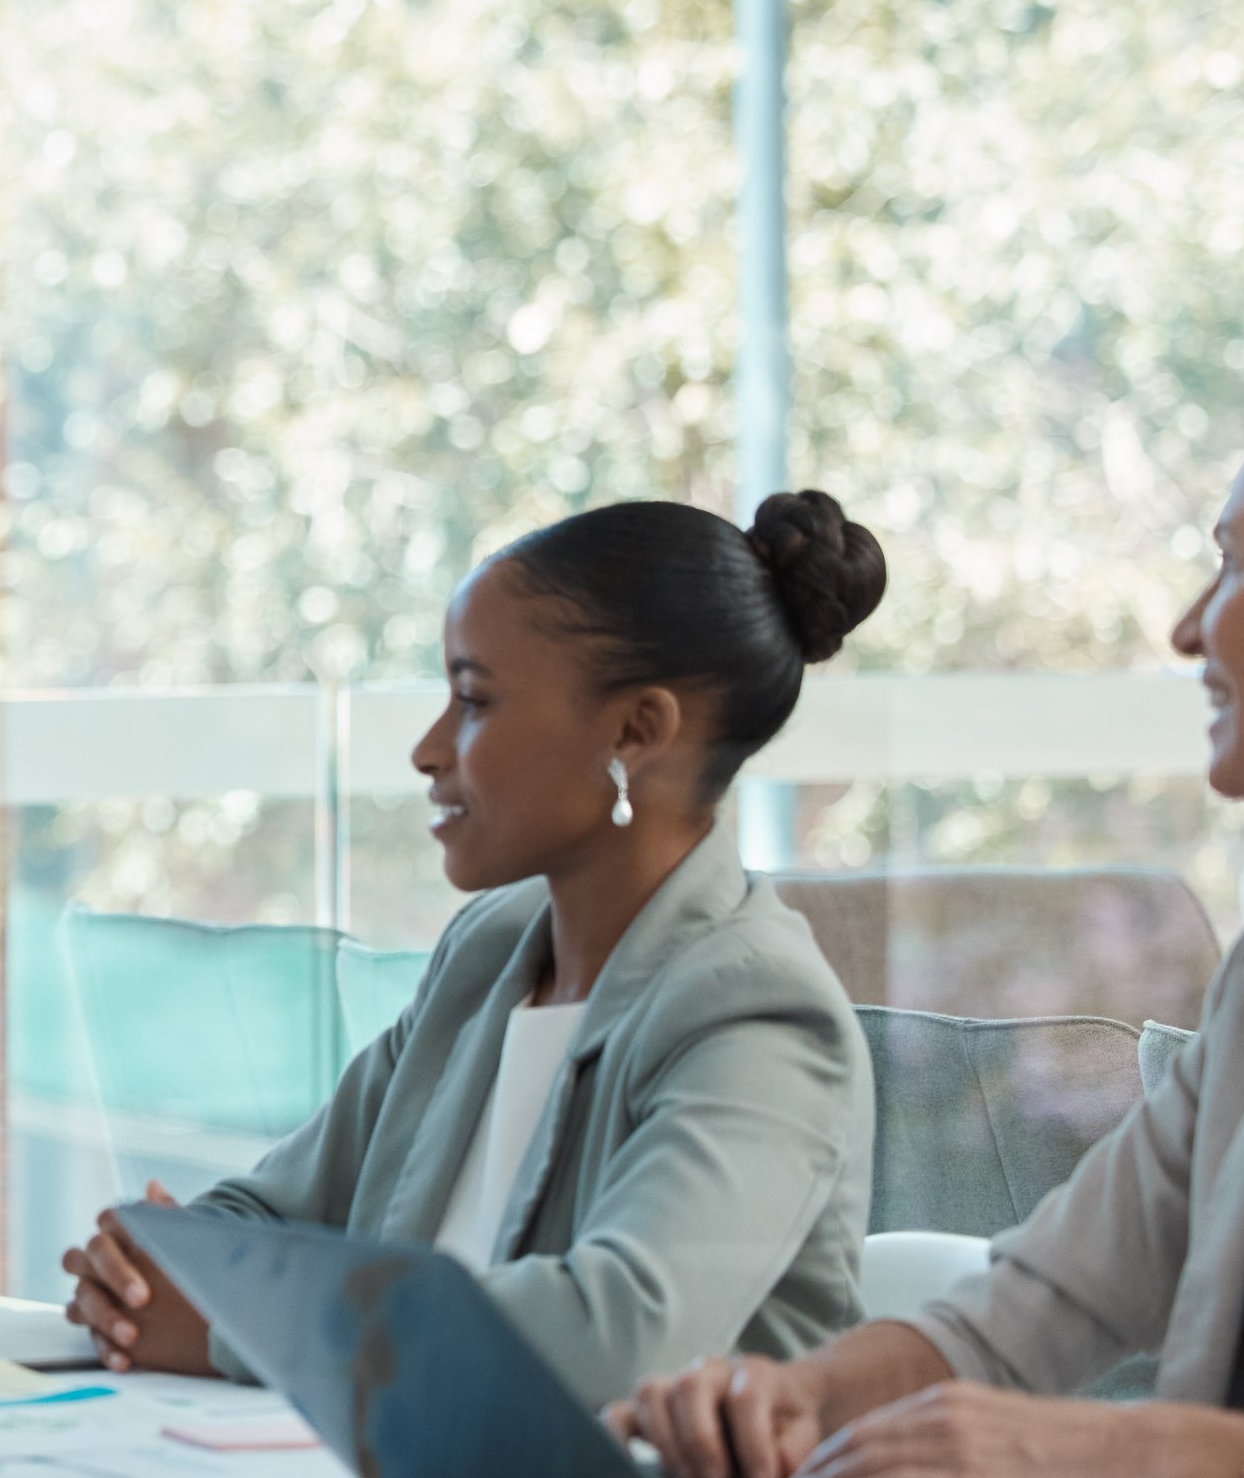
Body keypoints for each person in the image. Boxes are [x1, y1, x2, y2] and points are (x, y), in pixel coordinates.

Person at [618, 333, 1244, 1478]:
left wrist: (1160, 1456)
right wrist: (789, 1397)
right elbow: (1038, 1308)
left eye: (1230, 568)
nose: (1187, 628)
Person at [61, 493, 889, 1408]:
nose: (426, 749)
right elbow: (270, 1214)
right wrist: (150, 1268)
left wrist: (232, 1325)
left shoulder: (757, 1012)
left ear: (635, 731)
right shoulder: (488, 955)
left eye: (472, 700)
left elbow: (609, 1337)